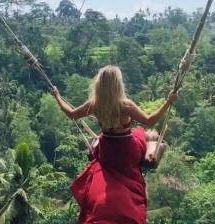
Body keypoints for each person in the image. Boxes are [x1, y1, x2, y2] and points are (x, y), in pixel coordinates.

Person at [51, 65, 178, 224]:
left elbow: (71, 114)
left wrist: (57, 96)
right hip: (128, 151)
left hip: (107, 152)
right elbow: (150, 120)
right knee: (140, 131)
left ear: (99, 84)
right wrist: (168, 102)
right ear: (118, 84)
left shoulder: (94, 104)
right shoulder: (125, 105)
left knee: (103, 145)